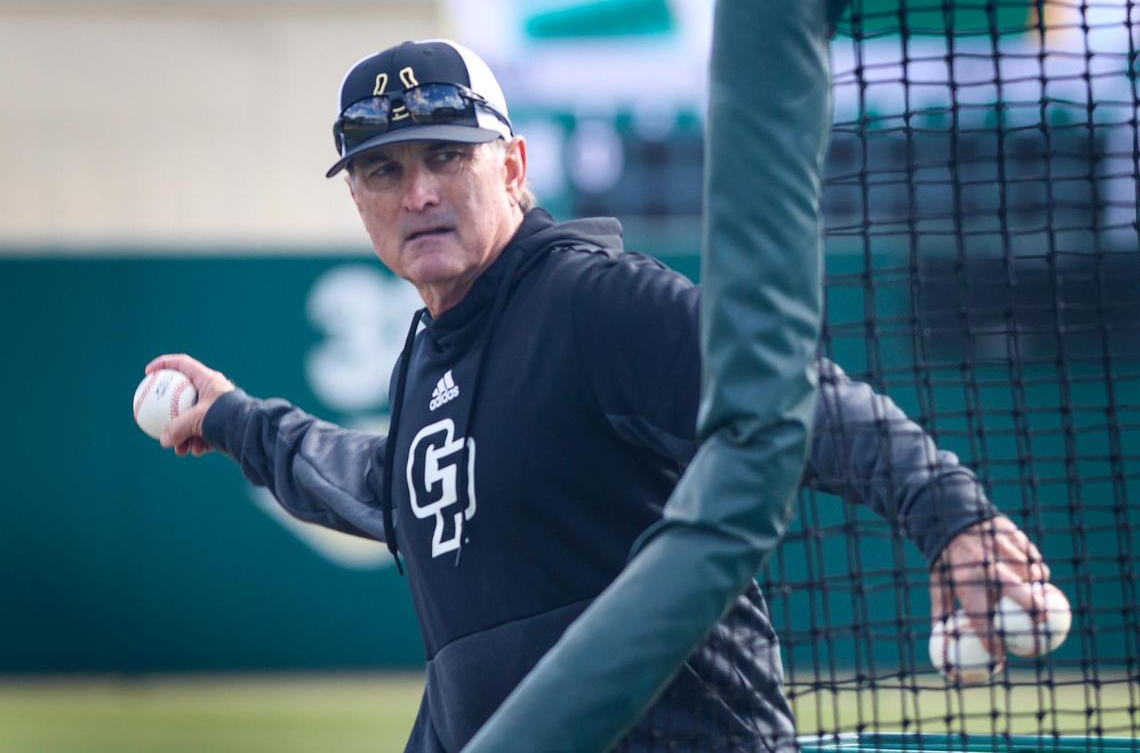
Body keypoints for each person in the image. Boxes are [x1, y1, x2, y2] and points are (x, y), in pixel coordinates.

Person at [150, 39, 1051, 752]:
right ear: (357, 199)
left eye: (445, 155)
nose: (418, 191)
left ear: (511, 164)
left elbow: (790, 391)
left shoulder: (590, 301)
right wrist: (234, 417)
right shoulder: (429, 356)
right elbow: (385, 483)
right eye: (384, 170)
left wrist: (949, 514)